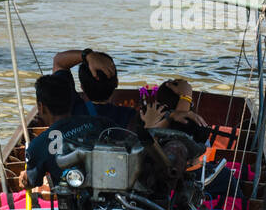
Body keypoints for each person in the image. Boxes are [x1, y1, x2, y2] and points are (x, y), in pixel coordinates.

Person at [19, 70, 166, 190]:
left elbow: (32, 181)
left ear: (41, 107)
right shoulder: (102, 123)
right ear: (71, 101)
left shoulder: (38, 145)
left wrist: (25, 178)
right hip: (117, 195)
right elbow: (132, 146)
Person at [51, 47, 137, 129]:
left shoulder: (71, 110)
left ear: (82, 87)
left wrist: (88, 55)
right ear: (116, 83)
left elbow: (59, 62)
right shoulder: (128, 115)